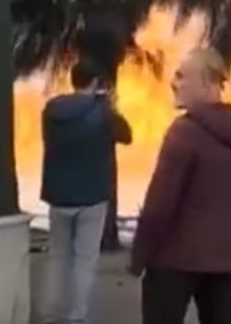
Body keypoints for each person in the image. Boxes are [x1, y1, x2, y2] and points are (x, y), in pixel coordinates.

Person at [131, 48, 231, 324]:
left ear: (207, 83)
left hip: (172, 260)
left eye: (181, 76)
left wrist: (139, 256)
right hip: (220, 262)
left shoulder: (184, 133)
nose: (173, 82)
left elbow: (159, 204)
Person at [41, 57, 134, 324]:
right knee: (84, 259)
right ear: (95, 83)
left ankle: (50, 314)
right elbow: (126, 135)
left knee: (58, 256)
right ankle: (77, 315)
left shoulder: (51, 110)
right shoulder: (102, 112)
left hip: (58, 195)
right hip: (92, 196)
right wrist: (110, 105)